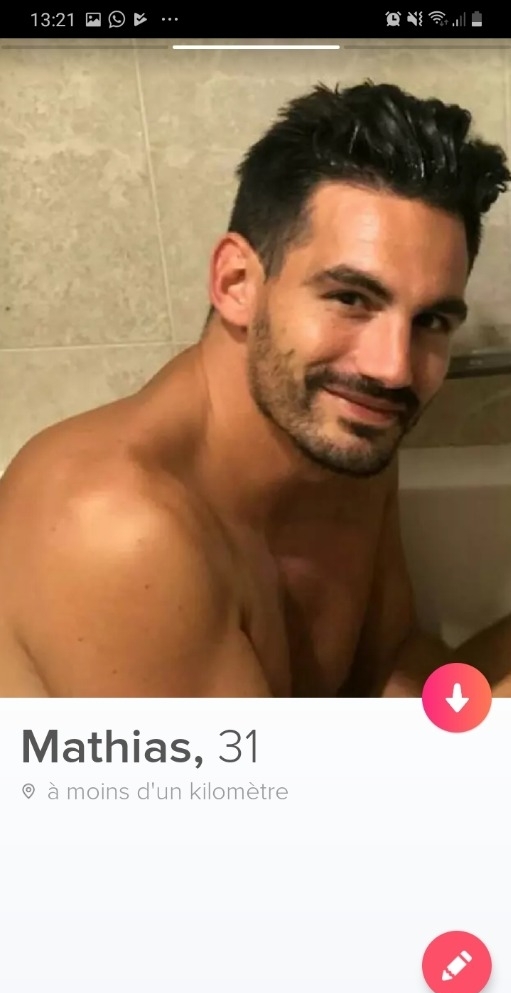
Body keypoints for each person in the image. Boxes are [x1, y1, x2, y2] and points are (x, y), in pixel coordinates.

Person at [0, 80, 510, 697]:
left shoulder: (345, 434)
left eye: (430, 320)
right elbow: (253, 768)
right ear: (237, 282)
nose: (394, 369)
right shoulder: (115, 529)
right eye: (351, 298)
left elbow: (389, 677)